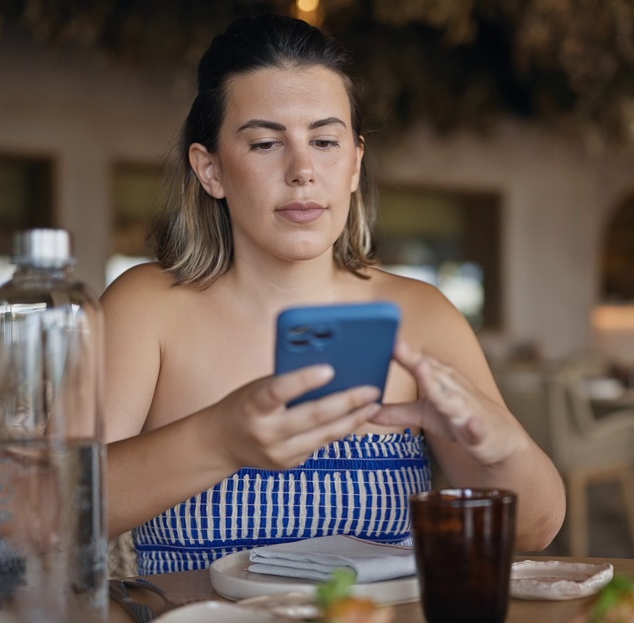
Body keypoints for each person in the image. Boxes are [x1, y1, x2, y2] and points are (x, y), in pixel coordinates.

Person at [101, 14, 565, 574]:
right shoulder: (147, 307)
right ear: (211, 170)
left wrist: (503, 449)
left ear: (353, 164)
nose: (302, 171)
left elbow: (534, 532)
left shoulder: (419, 315)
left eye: (324, 141)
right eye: (267, 143)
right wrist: (219, 439)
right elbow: (43, 516)